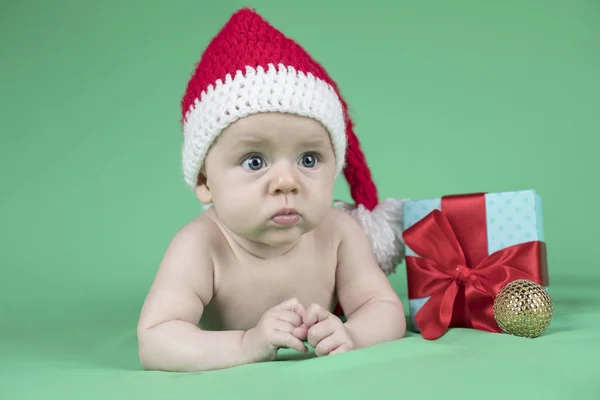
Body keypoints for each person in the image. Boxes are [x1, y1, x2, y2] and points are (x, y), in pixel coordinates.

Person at [137, 7, 407, 372]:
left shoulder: (338, 232)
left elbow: (384, 307)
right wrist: (247, 343)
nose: (286, 181)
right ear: (204, 182)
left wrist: (354, 334)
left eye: (309, 160)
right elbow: (156, 339)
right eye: (254, 161)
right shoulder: (202, 246)